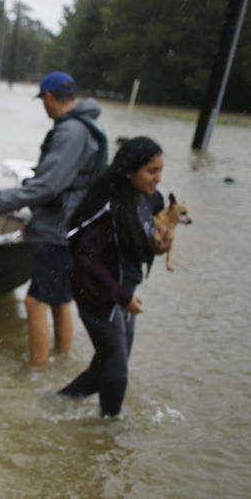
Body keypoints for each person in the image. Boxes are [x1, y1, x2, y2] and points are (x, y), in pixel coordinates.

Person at [0, 71, 107, 367]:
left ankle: (35, 373)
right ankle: (61, 363)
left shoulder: (70, 131)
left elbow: (49, 185)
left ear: (48, 97)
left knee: (36, 302)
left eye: (42, 101)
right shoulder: (88, 126)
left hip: (57, 231)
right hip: (75, 229)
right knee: (61, 302)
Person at [57, 137, 169, 417]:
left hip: (122, 294)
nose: (158, 178)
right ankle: (109, 433)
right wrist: (122, 296)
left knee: (105, 366)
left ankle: (55, 403)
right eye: (151, 171)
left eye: (160, 170)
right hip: (97, 295)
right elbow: (85, 258)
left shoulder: (149, 199)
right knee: (117, 369)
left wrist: (157, 245)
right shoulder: (109, 209)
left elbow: (139, 239)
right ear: (130, 172)